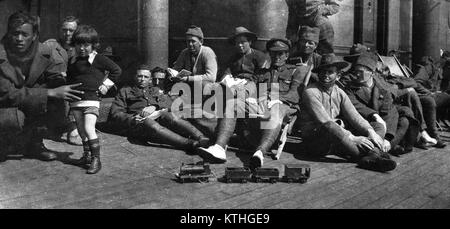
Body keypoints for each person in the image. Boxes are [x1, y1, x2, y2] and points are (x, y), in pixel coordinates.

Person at [198, 38, 304, 169]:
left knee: (275, 109)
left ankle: (260, 152)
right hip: (262, 103)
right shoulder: (262, 73)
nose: (276, 57)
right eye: (273, 53)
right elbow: (252, 87)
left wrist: (274, 98)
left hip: (284, 105)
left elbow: (295, 94)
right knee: (234, 104)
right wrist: (249, 96)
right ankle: (219, 147)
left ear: (287, 55)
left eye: (280, 54)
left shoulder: (294, 71)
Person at [0, 11, 84, 162]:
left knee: (56, 99)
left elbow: (54, 78)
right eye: (15, 33)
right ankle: (5, 144)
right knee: (13, 118)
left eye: (24, 34)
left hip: (29, 101)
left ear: (34, 35)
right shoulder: (1, 54)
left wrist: (65, 81)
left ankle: (35, 144)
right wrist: (50, 92)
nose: (19, 39)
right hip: (5, 105)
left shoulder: (45, 51)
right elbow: (8, 94)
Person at [298, 54, 397, 172]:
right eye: (323, 72)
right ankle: (369, 156)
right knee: (331, 126)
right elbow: (325, 121)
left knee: (377, 125)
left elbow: (354, 116)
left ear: (338, 76)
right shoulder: (311, 92)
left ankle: (372, 155)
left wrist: (370, 131)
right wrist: (353, 138)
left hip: (337, 140)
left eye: (330, 72)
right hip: (315, 142)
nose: (325, 75)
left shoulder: (339, 92)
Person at [108, 65, 209, 153]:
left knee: (169, 116)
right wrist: (133, 118)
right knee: (149, 122)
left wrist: (155, 106)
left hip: (156, 117)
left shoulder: (154, 89)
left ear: (150, 79)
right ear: (135, 77)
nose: (142, 79)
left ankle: (201, 137)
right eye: (140, 76)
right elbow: (116, 113)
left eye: (145, 77)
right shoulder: (125, 91)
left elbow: (166, 103)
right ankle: (190, 144)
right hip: (138, 124)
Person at [67, 25, 122, 174]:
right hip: (76, 100)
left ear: (93, 45)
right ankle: (86, 156)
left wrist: (105, 86)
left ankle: (96, 159)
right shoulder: (72, 60)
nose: (82, 48)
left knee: (89, 128)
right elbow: (70, 77)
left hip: (91, 100)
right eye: (79, 44)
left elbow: (116, 70)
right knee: (81, 131)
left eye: (86, 45)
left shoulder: (98, 58)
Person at [343, 53, 420, 155]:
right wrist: (374, 115)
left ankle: (383, 148)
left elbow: (388, 112)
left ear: (371, 72)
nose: (357, 74)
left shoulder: (382, 89)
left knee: (404, 121)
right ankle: (382, 151)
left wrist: (387, 138)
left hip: (382, 124)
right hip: (366, 124)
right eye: (355, 71)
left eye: (361, 72)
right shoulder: (350, 88)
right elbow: (354, 105)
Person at [44, 15, 82, 145]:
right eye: (64, 30)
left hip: (74, 89)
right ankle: (70, 128)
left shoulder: (82, 48)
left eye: (71, 30)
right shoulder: (50, 45)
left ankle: (74, 127)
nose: (67, 33)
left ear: (77, 31)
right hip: (54, 89)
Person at [173, 25, 217, 90]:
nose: (190, 44)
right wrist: (173, 74)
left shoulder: (208, 52)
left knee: (204, 84)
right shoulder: (184, 52)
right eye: (188, 41)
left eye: (193, 41)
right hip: (189, 87)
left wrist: (189, 78)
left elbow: (211, 77)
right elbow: (176, 69)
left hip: (204, 89)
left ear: (201, 42)